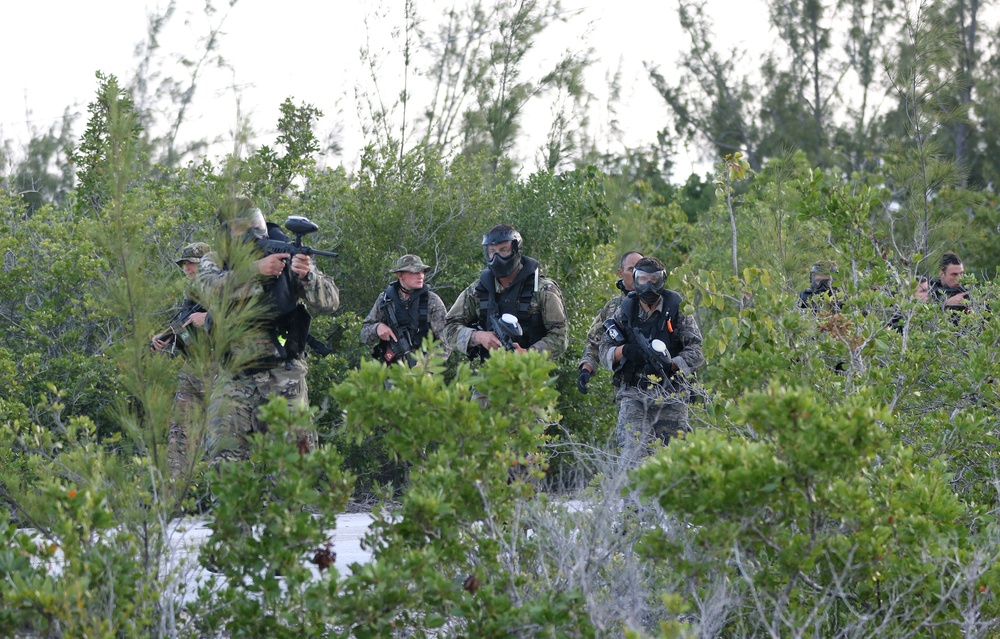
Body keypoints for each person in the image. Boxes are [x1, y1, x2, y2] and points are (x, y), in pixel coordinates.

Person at [197, 199, 340, 463]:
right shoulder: (215, 260)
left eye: (254, 223)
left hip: (283, 374)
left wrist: (308, 275)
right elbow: (208, 291)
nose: (251, 231)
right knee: (222, 457)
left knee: (294, 462)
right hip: (235, 374)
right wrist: (254, 271)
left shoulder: (284, 254)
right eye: (242, 226)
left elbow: (330, 302)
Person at [599, 257, 703, 462]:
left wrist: (672, 363)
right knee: (633, 450)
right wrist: (625, 351)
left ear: (662, 281)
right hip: (634, 393)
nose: (648, 285)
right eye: (643, 279)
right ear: (635, 280)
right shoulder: (625, 311)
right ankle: (634, 495)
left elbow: (696, 350)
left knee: (675, 455)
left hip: (671, 392)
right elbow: (604, 349)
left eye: (654, 280)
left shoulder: (676, 310)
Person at [443, 224, 567, 361]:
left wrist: (528, 354)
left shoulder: (543, 290)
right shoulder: (477, 290)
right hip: (490, 375)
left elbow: (560, 336)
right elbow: (448, 328)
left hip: (531, 376)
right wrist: (478, 336)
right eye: (492, 251)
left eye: (504, 250)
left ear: (516, 250)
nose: (496, 257)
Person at [156, 242, 211, 476]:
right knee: (179, 429)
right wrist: (166, 336)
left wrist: (209, 317)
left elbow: (245, 316)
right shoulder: (192, 294)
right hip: (193, 368)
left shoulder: (226, 289)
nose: (187, 267)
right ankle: (174, 489)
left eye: (192, 263)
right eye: (184, 264)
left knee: (224, 434)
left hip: (222, 368)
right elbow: (186, 325)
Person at [361, 254, 449, 366]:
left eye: (422, 272)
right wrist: (377, 327)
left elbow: (447, 342)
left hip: (425, 376)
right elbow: (364, 334)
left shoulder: (432, 301)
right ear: (400, 275)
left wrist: (425, 363)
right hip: (393, 374)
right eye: (414, 272)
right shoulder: (385, 300)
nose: (420, 276)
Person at [577, 251, 643, 394]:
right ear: (621, 273)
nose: (637, 273)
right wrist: (586, 370)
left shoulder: (660, 303)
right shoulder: (613, 307)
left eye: (640, 268)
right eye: (631, 269)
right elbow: (595, 342)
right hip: (627, 386)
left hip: (662, 387)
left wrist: (689, 378)